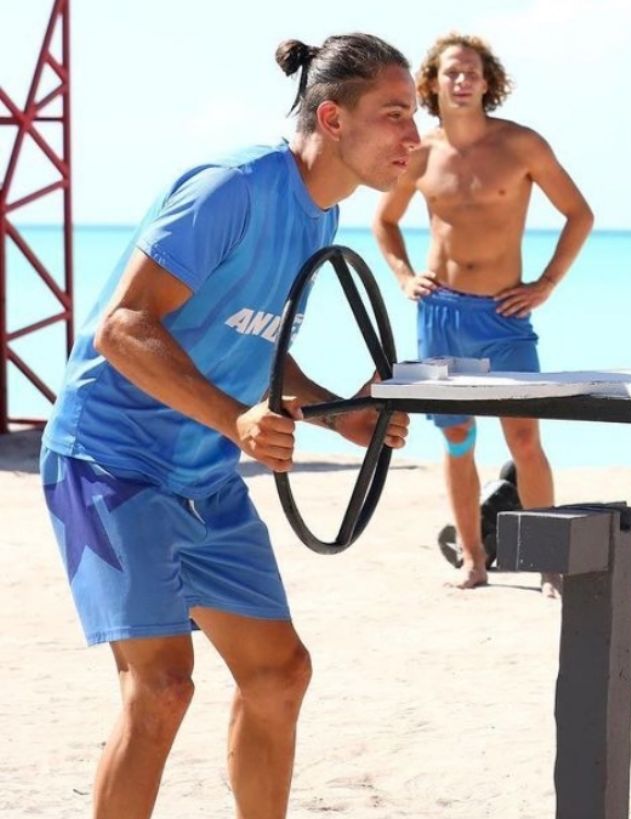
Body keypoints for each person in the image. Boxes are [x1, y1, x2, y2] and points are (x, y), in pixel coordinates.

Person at [38, 35, 416, 818]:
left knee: (280, 674)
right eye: (396, 113)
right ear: (333, 118)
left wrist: (335, 412)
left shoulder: (322, 216)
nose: (415, 134)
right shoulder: (231, 189)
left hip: (204, 473)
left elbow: (254, 344)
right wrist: (234, 420)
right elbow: (123, 328)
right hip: (110, 461)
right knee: (161, 687)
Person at [374, 33, 593, 593]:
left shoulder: (521, 145)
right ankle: (473, 560)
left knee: (525, 440)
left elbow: (579, 214)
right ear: (433, 83)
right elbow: (385, 220)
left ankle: (549, 564)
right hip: (440, 315)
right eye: (451, 72)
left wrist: (546, 283)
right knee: (457, 439)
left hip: (503, 317)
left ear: (488, 81)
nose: (462, 80)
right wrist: (404, 276)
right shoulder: (421, 153)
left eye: (472, 71)